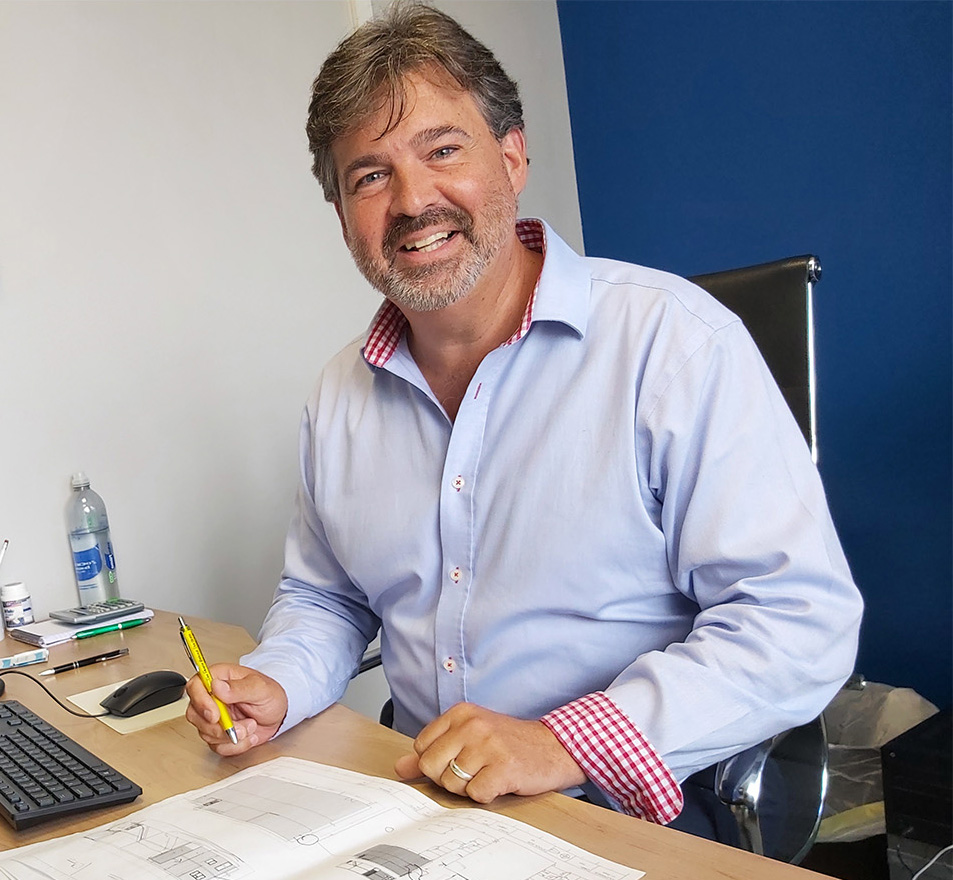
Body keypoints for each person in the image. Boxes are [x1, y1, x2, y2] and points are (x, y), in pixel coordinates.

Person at [186, 1, 863, 834]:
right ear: (341, 215)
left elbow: (798, 619)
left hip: (633, 800)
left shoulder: (673, 345)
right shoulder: (339, 396)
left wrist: (560, 743)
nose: (411, 201)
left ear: (511, 155)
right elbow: (327, 599)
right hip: (422, 789)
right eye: (369, 176)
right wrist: (279, 680)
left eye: (442, 150)